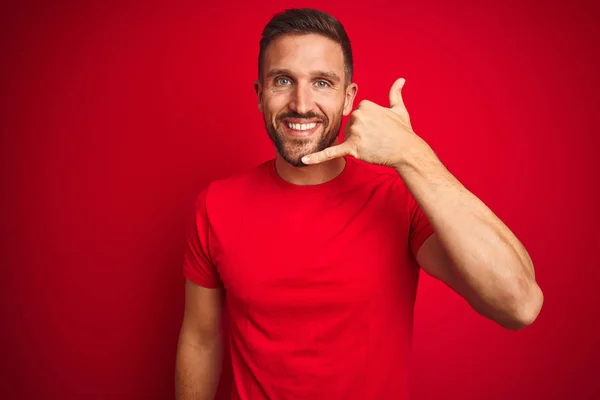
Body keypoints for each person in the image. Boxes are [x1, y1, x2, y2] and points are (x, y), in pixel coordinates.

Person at [175, 8, 543, 400]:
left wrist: (413, 155)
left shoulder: (398, 197)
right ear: (260, 95)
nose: (301, 103)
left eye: (322, 83)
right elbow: (200, 339)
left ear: (349, 97)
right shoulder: (216, 205)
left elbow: (518, 304)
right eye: (282, 80)